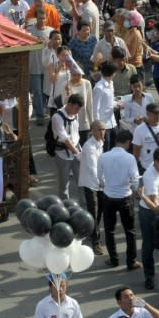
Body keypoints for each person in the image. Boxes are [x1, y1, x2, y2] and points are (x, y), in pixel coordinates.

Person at [97, 130, 140, 270]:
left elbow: (99, 178)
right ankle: (131, 261)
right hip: (125, 197)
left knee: (109, 230)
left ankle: (114, 259)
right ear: (127, 142)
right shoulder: (130, 158)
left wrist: (108, 185)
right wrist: (133, 189)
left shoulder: (103, 156)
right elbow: (135, 181)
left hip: (108, 197)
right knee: (130, 231)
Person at [139, 148, 159, 290]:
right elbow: (154, 206)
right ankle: (149, 276)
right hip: (150, 213)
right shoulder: (150, 177)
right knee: (149, 245)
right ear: (156, 162)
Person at [78, 120, 106, 255]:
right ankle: (95, 241)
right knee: (93, 211)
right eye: (99, 130)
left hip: (99, 183)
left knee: (99, 211)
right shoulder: (89, 147)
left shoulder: (101, 143)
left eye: (103, 129)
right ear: (92, 131)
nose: (102, 132)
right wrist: (102, 181)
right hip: (90, 183)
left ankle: (91, 232)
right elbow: (92, 167)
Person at [52, 94, 84, 201]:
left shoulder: (75, 114)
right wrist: (77, 153)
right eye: (76, 108)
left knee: (82, 182)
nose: (77, 112)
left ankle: (85, 207)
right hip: (63, 155)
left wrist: (79, 151)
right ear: (69, 104)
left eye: (79, 109)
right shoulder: (57, 117)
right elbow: (64, 138)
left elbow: (76, 134)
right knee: (64, 185)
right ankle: (65, 208)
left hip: (76, 151)